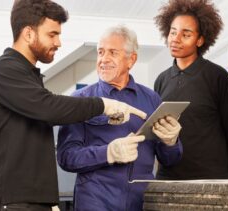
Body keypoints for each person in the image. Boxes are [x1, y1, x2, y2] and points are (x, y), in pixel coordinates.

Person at [0, 1, 147, 211]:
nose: (58, 42)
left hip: (27, 202)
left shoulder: (28, 76)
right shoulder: (4, 70)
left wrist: (48, 202)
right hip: (7, 203)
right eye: (52, 34)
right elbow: (49, 107)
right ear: (28, 34)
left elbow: (33, 143)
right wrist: (103, 105)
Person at [57, 25, 183, 211]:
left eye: (112, 52)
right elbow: (66, 157)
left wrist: (171, 142)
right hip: (95, 202)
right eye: (100, 52)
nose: (103, 59)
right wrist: (109, 152)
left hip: (142, 202)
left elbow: (170, 160)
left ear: (131, 60)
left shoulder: (152, 99)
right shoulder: (80, 100)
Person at [153, 0, 228, 180]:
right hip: (167, 179)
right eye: (173, 32)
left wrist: (225, 175)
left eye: (185, 34)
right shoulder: (161, 80)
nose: (176, 39)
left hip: (209, 179)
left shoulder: (218, 77)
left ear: (200, 40)